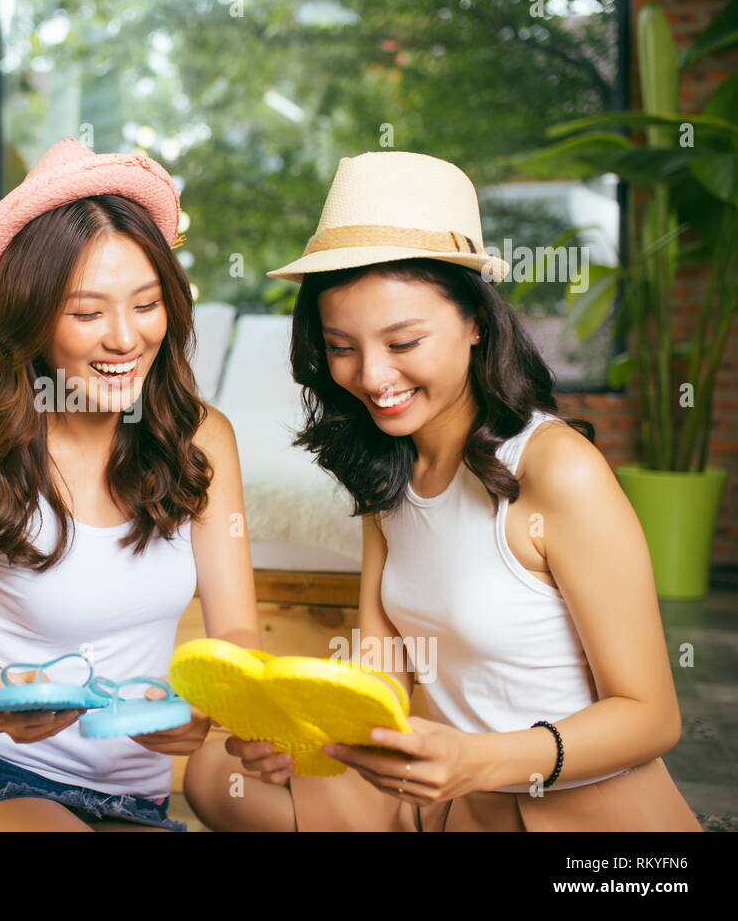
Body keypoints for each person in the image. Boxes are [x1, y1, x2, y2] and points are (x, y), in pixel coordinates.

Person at [183, 150, 702, 831]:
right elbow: (380, 686)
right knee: (216, 772)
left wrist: (482, 760)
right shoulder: (385, 468)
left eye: (404, 341)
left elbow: (653, 717)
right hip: (455, 799)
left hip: (581, 814)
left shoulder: (558, 471)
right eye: (342, 346)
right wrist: (302, 738)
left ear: (476, 321)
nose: (372, 377)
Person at [0, 138, 262, 832]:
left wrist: (214, 701)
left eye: (147, 303)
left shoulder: (203, 441)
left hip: (136, 793)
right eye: (87, 312)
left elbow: (238, 628)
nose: (125, 338)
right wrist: (6, 707)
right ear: (34, 322)